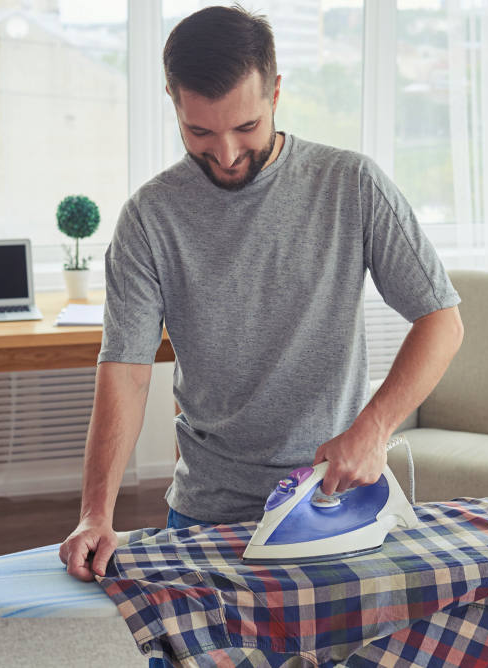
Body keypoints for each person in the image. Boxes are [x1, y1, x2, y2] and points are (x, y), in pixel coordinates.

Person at [59, 5, 463, 584]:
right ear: (173, 102)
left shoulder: (351, 184)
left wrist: (372, 431)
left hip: (331, 495)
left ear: (276, 92)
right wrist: (95, 513)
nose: (225, 154)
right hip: (206, 510)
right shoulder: (150, 219)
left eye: (245, 127)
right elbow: (126, 370)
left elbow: (441, 320)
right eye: (200, 131)